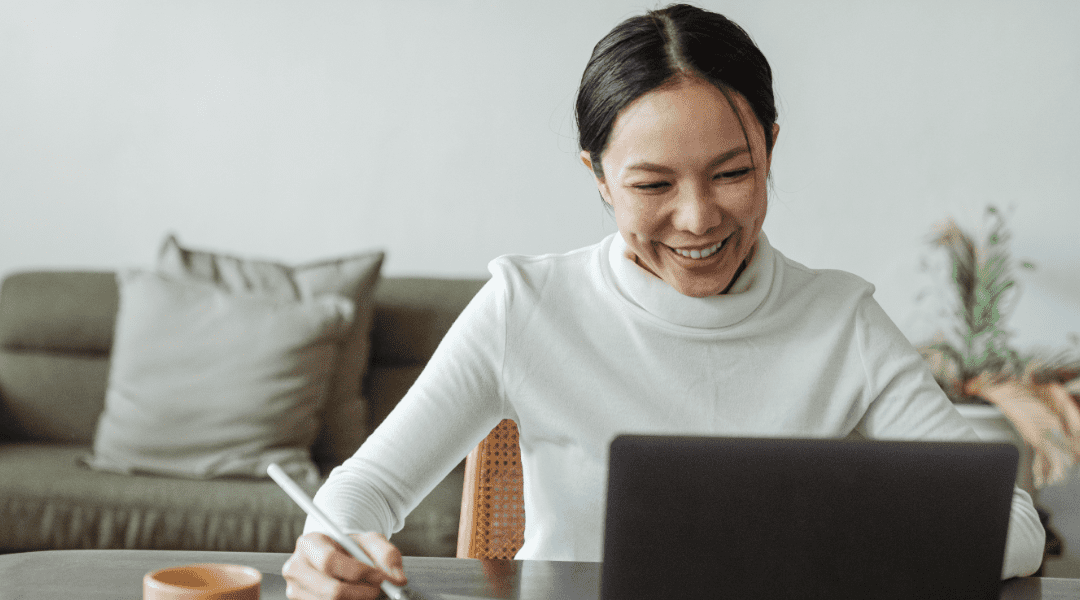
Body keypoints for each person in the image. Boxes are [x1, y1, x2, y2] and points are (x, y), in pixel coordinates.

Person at [281, 4, 1046, 598]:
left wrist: (838, 544)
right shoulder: (526, 306)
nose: (698, 219)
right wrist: (329, 550)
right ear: (598, 178)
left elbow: (1012, 523)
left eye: (733, 173)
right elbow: (367, 488)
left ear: (771, 149)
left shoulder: (842, 321)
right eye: (652, 184)